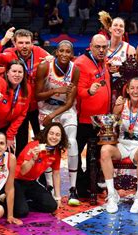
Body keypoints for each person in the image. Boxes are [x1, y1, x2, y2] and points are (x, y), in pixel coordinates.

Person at [0, 28, 50, 156]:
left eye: (27, 42)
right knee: (20, 139)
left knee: (41, 138)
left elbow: (54, 61)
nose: (24, 46)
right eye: (20, 43)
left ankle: (40, 172)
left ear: (33, 43)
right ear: (14, 43)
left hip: (37, 104)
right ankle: (17, 169)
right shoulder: (9, 53)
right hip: (19, 103)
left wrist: (51, 60)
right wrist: (4, 40)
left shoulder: (39, 52)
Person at [100, 78, 138, 214]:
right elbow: (111, 120)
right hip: (123, 144)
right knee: (104, 151)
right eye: (132, 88)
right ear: (127, 90)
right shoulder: (122, 104)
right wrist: (115, 110)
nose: (135, 91)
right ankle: (112, 195)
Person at [35, 40, 80, 205]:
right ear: (56, 52)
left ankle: (73, 189)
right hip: (46, 107)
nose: (64, 54)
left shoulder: (75, 70)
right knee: (47, 145)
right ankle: (49, 186)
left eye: (68, 51)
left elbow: (69, 102)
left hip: (65, 110)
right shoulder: (44, 67)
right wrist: (55, 91)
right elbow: (37, 95)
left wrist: (53, 115)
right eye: (61, 50)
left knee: (72, 142)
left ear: (72, 54)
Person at [74, 34, 111, 197]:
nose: (101, 50)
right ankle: (81, 186)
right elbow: (76, 90)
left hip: (101, 119)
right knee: (76, 152)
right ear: (90, 46)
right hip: (84, 120)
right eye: (98, 47)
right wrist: (89, 92)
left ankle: (91, 184)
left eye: (104, 47)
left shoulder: (103, 61)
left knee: (94, 153)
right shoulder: (81, 63)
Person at [12, 123, 68, 217]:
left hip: (31, 182)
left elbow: (56, 173)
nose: (54, 137)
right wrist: (33, 159)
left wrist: (58, 197)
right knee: (21, 212)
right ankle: (10, 200)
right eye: (51, 133)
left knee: (52, 206)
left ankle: (24, 201)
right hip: (16, 180)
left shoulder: (56, 151)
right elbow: (23, 171)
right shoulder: (34, 146)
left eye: (57, 135)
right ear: (46, 134)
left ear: (61, 138)